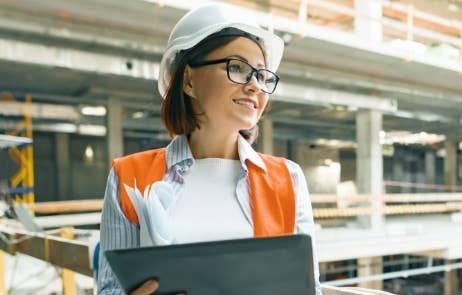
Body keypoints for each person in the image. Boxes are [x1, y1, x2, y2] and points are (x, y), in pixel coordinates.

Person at [96, 3, 321, 294]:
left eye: (262, 76)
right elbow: (109, 289)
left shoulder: (288, 179)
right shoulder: (129, 177)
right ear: (189, 80)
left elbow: (309, 289)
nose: (255, 86)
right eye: (238, 68)